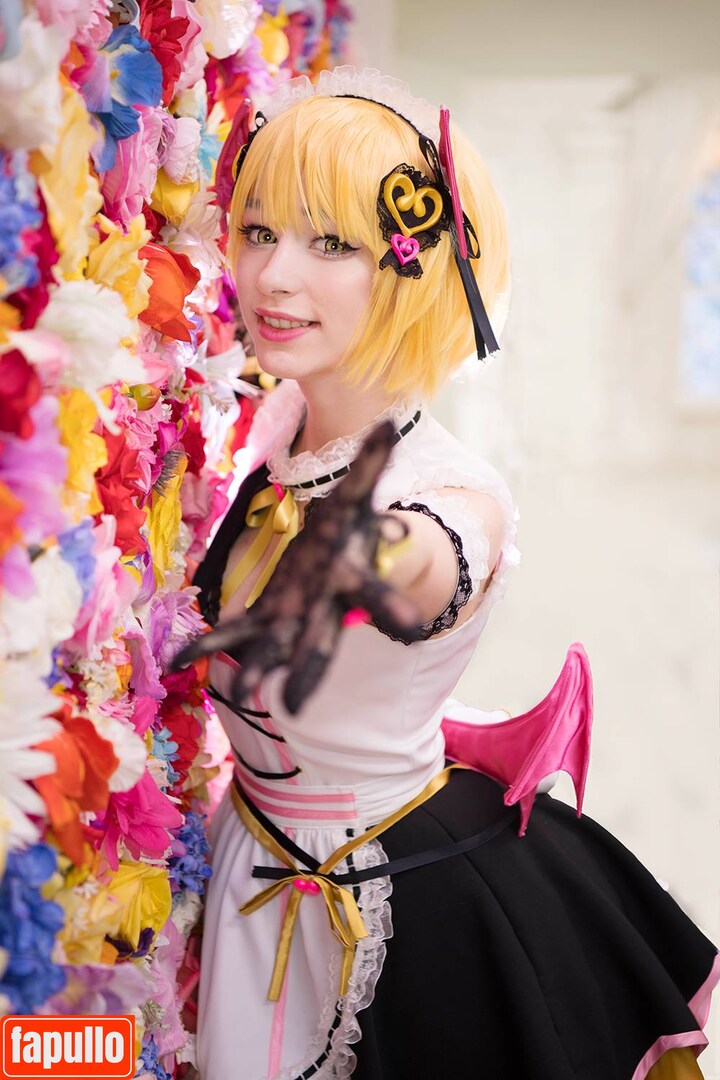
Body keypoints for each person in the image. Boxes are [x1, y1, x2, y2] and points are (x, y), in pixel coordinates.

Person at [177, 67, 718, 1080]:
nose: (273, 275)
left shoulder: (451, 492)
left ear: (412, 268)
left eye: (330, 244)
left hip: (401, 892)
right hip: (248, 860)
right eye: (257, 231)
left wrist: (373, 552)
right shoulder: (280, 435)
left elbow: (432, 565)